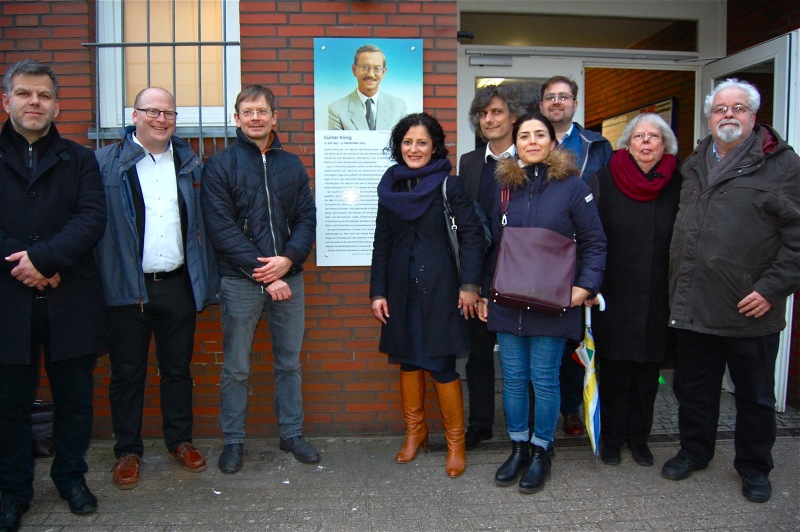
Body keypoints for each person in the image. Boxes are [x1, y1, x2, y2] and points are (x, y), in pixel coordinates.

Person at [662, 79, 800, 503]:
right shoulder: (694, 162)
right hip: (694, 305)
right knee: (693, 389)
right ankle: (694, 451)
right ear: (710, 116)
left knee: (755, 398)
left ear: (753, 116)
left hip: (750, 309)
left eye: (738, 108)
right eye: (720, 108)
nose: (728, 115)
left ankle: (755, 467)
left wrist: (772, 289)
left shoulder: (783, 165)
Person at [0, 59, 106, 529]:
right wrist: (27, 265)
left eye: (43, 95)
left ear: (56, 104)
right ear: (7, 101)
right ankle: (12, 491)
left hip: (70, 301)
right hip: (8, 301)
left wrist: (45, 261)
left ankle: (71, 478)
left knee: (75, 400)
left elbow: (90, 219)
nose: (34, 103)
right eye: (24, 94)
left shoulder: (80, 159)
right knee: (9, 404)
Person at [477, 112, 605, 494]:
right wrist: (485, 292)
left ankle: (542, 451)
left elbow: (595, 241)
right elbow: (491, 245)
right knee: (514, 380)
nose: (532, 141)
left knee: (544, 380)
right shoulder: (502, 186)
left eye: (540, 135)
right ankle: (518, 447)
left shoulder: (572, 186)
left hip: (553, 301)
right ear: (516, 142)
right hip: (508, 299)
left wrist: (584, 287)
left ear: (553, 142)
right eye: (525, 136)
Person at [94, 87, 215, 490]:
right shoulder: (107, 163)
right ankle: (128, 451)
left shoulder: (189, 162)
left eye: (168, 113)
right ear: (135, 115)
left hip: (177, 285)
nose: (161, 119)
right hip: (129, 288)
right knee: (127, 373)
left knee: (177, 371)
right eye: (152, 111)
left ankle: (179, 441)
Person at [201, 84, 318, 473]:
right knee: (236, 367)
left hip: (290, 277)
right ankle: (233, 441)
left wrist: (288, 259)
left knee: (289, 363)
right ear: (237, 118)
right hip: (240, 281)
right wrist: (267, 275)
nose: (255, 118)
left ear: (274, 117)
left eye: (262, 111)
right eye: (247, 111)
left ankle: (292, 434)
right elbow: (221, 231)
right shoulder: (220, 166)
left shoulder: (291, 165)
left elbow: (306, 219)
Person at [370, 112, 485, 478]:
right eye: (407, 142)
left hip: (443, 292)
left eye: (421, 142)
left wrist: (470, 287)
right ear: (398, 146)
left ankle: (455, 442)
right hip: (401, 293)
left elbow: (471, 238)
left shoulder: (450, 185)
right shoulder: (389, 188)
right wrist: (377, 292)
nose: (414, 148)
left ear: (435, 147)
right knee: (408, 362)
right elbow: (382, 244)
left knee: (441, 366)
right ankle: (415, 432)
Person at [588, 113, 681, 467]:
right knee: (614, 371)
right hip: (614, 293)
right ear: (627, 143)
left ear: (664, 145)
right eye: (638, 136)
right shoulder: (605, 178)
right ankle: (612, 439)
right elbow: (590, 237)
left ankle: (639, 439)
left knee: (647, 374)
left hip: (659, 296)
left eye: (653, 137)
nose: (645, 142)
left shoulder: (678, 182)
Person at [539, 75, 613, 437]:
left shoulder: (596, 146)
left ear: (574, 103)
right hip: (538, 259)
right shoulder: (530, 140)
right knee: (539, 338)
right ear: (541, 106)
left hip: (579, 256)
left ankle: (570, 408)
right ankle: (542, 412)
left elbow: (605, 207)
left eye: (564, 97)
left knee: (571, 340)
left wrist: (593, 274)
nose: (557, 102)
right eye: (550, 97)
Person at [458, 85, 525, 449]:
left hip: (521, 277)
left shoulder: (532, 158)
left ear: (513, 117)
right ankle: (480, 424)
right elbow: (467, 227)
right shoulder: (469, 163)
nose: (490, 119)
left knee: (521, 359)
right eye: (484, 114)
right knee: (479, 356)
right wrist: (473, 285)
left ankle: (525, 428)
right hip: (479, 274)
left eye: (497, 112)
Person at [327, 44, 407, 131]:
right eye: (364, 67)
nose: (370, 74)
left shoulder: (399, 107)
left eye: (377, 68)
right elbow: (337, 145)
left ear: (384, 72)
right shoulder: (337, 109)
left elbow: (404, 143)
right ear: (354, 70)